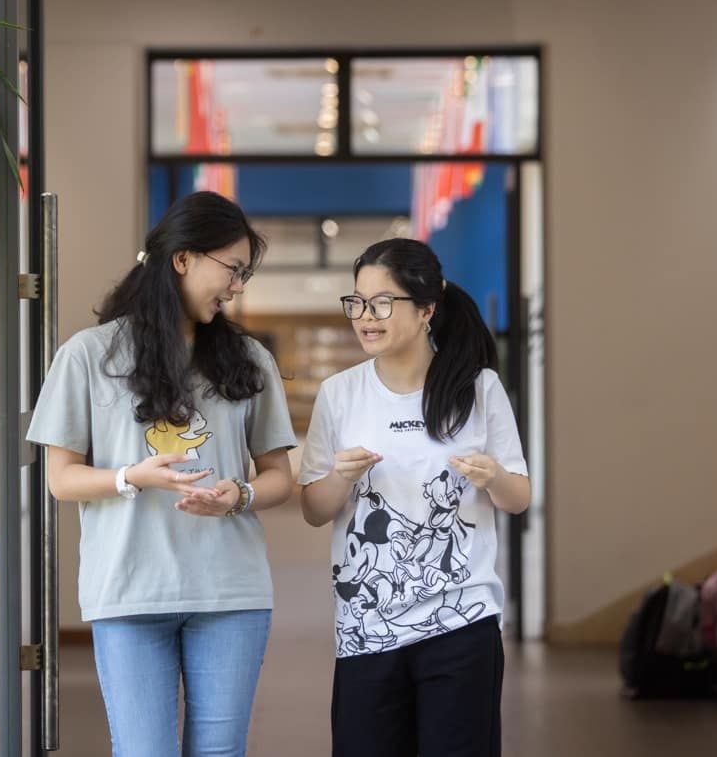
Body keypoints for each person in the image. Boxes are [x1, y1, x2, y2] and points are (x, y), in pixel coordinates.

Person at [26, 191, 296, 757]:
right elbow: (61, 479)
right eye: (232, 269)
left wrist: (239, 495)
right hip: (129, 592)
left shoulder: (248, 360)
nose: (238, 287)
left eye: (244, 274)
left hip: (231, 593)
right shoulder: (87, 356)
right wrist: (131, 477)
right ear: (183, 259)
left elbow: (279, 477)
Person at [298, 238, 531, 757]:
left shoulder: (479, 388)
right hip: (366, 627)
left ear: (427, 309)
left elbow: (518, 498)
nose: (365, 317)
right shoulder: (340, 394)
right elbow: (314, 510)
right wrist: (339, 478)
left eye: (382, 303)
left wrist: (491, 476)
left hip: (462, 621)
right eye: (356, 302)